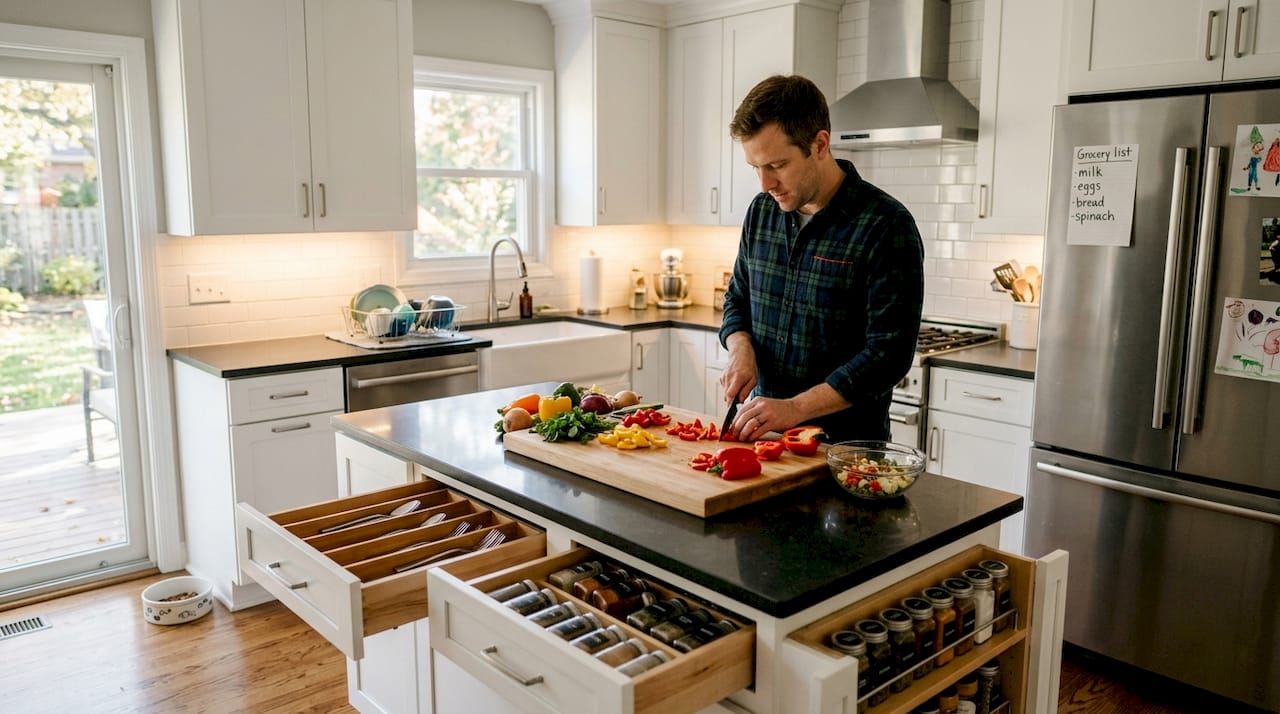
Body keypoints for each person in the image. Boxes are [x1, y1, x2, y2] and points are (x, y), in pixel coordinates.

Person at [719, 74, 924, 444]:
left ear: (819, 144)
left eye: (777, 165)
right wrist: (741, 350)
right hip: (763, 442)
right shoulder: (761, 213)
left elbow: (887, 356)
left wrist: (795, 409)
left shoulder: (886, 226)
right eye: (756, 168)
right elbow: (737, 298)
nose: (764, 184)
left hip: (844, 452)